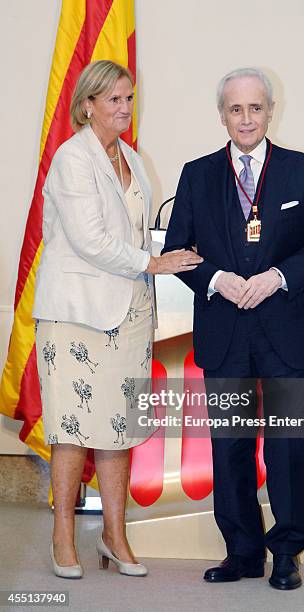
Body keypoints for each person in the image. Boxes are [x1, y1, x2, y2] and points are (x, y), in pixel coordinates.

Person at [163, 67, 304, 590]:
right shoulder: (196, 175)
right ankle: (241, 551)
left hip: (287, 330)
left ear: (270, 111)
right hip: (225, 333)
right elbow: (178, 250)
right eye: (236, 109)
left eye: (255, 108)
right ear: (223, 115)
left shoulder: (303, 170)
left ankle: (286, 552)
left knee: (287, 446)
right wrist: (217, 277)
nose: (246, 118)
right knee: (231, 445)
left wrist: (277, 277)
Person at [33, 60, 202, 579]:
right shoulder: (72, 158)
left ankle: (114, 535)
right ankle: (64, 535)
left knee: (117, 429)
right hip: (76, 316)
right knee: (70, 430)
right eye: (113, 100)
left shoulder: (131, 156)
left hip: (129, 314)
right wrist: (155, 263)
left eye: (129, 98)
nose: (125, 108)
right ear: (87, 105)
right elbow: (89, 240)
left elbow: (138, 230)